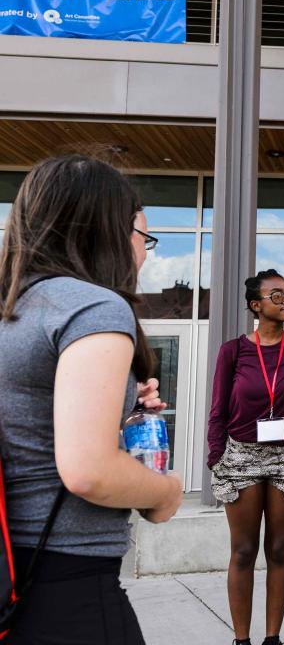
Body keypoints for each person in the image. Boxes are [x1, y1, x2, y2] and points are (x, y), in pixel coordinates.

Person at [0, 154, 182, 644]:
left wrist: (118, 408)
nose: (145, 254)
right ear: (108, 231)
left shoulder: (14, 307)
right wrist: (166, 492)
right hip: (64, 583)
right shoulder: (92, 306)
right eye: (145, 238)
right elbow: (88, 471)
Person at [207, 269, 284, 645]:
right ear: (256, 306)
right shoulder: (234, 351)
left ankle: (272, 639)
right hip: (240, 455)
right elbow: (218, 409)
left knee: (278, 548)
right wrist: (216, 456)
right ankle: (242, 640)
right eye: (278, 295)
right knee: (243, 550)